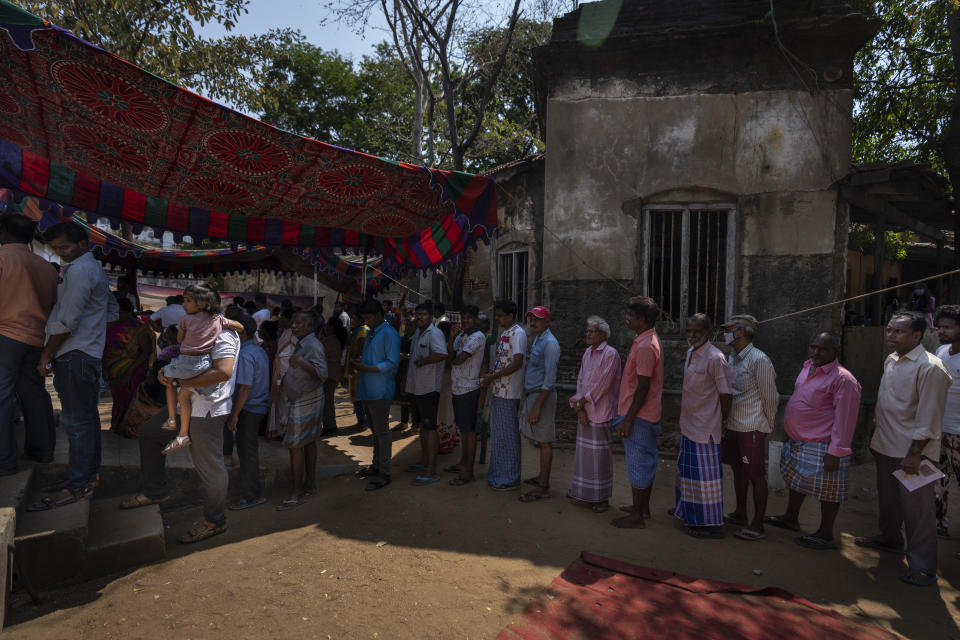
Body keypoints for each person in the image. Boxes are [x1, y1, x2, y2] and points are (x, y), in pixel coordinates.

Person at [120, 300, 240, 544]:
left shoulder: (223, 336)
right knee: (150, 433)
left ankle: (215, 521)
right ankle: (155, 490)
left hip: (206, 411)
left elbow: (222, 373)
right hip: (186, 403)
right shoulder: (198, 331)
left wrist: (178, 381)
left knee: (210, 468)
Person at [855, 311, 951, 586]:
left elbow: (929, 415)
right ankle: (890, 539)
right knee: (889, 501)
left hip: (913, 452)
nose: (890, 336)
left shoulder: (930, 367)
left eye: (898, 332)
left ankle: (922, 567)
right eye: (889, 330)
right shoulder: (891, 359)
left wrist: (915, 453)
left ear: (917, 335)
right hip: (885, 443)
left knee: (918, 511)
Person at [30, 222, 118, 509]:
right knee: (86, 421)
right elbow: (110, 313)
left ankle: (78, 485)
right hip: (86, 353)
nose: (60, 253)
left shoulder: (80, 270)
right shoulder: (90, 270)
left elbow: (67, 321)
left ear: (83, 243)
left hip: (74, 354)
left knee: (78, 424)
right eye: (55, 249)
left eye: (64, 248)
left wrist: (46, 354)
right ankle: (86, 478)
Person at [766, 332, 861, 549]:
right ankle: (790, 518)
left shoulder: (843, 379)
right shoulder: (808, 367)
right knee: (797, 481)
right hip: (800, 440)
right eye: (813, 347)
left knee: (828, 490)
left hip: (823, 444)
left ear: (834, 352)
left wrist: (835, 452)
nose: (816, 352)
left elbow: (845, 419)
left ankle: (825, 533)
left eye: (822, 349)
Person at [0, 214, 58, 475]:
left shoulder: (3, 258)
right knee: (33, 393)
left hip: (6, 334)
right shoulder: (45, 266)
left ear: (3, 231)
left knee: (2, 397)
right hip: (37, 338)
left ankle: (5, 460)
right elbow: (54, 305)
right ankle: (41, 451)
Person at [160, 284, 243, 455]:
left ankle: (172, 420)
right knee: (182, 396)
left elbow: (223, 372)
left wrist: (177, 380)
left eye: (188, 300)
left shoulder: (213, 329)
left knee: (208, 463)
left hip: (208, 407)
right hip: (201, 380)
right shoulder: (218, 322)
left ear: (203, 303)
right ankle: (182, 433)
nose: (184, 305)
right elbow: (240, 327)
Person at [673, 314, 732, 539]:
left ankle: (709, 524)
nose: (691, 336)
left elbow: (726, 394)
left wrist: (724, 421)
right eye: (688, 331)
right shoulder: (690, 353)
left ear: (708, 332)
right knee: (688, 474)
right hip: (689, 424)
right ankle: (688, 512)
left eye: (696, 332)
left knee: (706, 479)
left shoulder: (716, 358)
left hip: (706, 427)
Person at [721, 314, 778, 540]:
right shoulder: (733, 357)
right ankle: (740, 513)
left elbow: (771, 397)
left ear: (741, 332)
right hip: (734, 425)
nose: (725, 332)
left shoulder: (759, 359)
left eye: (729, 329)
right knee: (738, 470)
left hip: (752, 426)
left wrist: (767, 423)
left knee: (755, 474)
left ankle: (758, 523)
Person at [611, 296, 663, 529]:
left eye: (630, 315)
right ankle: (641, 508)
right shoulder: (644, 340)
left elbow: (643, 387)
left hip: (640, 416)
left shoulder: (645, 346)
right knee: (644, 462)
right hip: (643, 413)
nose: (627, 318)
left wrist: (628, 419)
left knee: (638, 464)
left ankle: (638, 517)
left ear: (641, 319)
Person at [568, 316, 621, 512]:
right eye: (587, 331)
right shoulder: (587, 353)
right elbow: (581, 380)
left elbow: (603, 385)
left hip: (601, 411)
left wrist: (582, 402)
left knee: (599, 457)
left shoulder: (611, 354)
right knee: (585, 455)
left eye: (592, 331)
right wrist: (579, 407)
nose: (588, 334)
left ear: (603, 334)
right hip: (585, 409)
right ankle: (583, 492)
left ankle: (601, 498)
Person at [276, 311, 327, 510]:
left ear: (308, 326)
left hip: (306, 398)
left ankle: (296, 492)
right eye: (292, 322)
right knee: (307, 441)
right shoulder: (303, 342)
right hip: (302, 396)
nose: (293, 326)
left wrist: (302, 363)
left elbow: (323, 373)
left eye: (298, 323)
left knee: (296, 445)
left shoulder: (313, 345)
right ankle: (309, 484)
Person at [352, 299, 401, 490]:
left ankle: (384, 472)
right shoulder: (371, 332)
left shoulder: (389, 334)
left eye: (368, 317)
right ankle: (376, 466)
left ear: (379, 315)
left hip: (380, 389)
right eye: (364, 318)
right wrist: (361, 363)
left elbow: (392, 364)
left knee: (382, 432)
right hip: (367, 388)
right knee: (376, 431)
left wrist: (367, 367)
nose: (366, 321)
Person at [222, 314, 270, 510]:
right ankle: (251, 493)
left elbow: (245, 388)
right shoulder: (257, 351)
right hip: (255, 407)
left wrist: (234, 415)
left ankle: (252, 496)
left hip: (249, 409)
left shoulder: (245, 354)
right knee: (247, 451)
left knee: (247, 452)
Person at [480, 299, 526, 491]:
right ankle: (500, 474)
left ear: (510, 316)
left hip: (509, 391)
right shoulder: (506, 333)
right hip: (500, 389)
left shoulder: (518, 334)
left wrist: (493, 376)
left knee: (508, 436)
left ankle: (510, 478)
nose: (497, 319)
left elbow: (517, 363)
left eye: (500, 315)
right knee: (499, 436)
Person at [518, 306, 562, 503]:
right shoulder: (538, 339)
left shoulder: (550, 344)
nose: (533, 323)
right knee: (539, 439)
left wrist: (537, 406)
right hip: (534, 394)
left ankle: (543, 487)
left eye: (537, 319)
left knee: (544, 441)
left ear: (547, 322)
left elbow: (550, 379)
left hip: (542, 396)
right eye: (531, 319)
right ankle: (541, 478)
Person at [404, 302, 448, 485]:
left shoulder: (434, 333)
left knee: (430, 429)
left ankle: (431, 470)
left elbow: (442, 354)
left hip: (429, 388)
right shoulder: (417, 332)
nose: (419, 317)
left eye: (423, 314)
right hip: (416, 387)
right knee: (422, 426)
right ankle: (424, 462)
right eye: (418, 313)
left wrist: (424, 362)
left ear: (430, 317)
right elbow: (414, 355)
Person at [103, 297, 155, 434]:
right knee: (118, 400)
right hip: (113, 372)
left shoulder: (139, 328)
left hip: (132, 372)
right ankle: (117, 426)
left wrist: (129, 372)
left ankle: (128, 428)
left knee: (129, 401)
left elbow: (146, 351)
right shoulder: (110, 326)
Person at [447, 305, 486, 486]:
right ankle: (463, 464)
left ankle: (468, 472)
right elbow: (451, 356)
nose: (466, 321)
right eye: (464, 318)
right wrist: (451, 338)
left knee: (468, 432)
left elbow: (457, 359)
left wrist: (453, 359)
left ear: (476, 319)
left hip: (468, 388)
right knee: (464, 430)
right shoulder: (462, 337)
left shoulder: (477, 337)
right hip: (458, 387)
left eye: (469, 318)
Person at [935, 305, 960, 537]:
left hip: (959, 433)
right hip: (939, 430)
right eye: (940, 326)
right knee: (938, 479)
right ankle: (939, 523)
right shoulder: (941, 351)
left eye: (948, 327)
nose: (942, 331)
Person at [320, 315, 348, 437]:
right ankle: (329, 425)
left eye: (327, 325)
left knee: (327, 402)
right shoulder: (336, 339)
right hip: (332, 373)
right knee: (328, 401)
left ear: (331, 327)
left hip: (328, 374)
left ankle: (329, 426)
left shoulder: (329, 340)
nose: (325, 327)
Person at [346, 311, 369, 429]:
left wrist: (355, 366)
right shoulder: (357, 331)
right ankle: (362, 420)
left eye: (355, 319)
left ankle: (363, 421)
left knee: (358, 395)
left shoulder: (362, 332)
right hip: (355, 366)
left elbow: (361, 351)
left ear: (361, 320)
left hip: (358, 368)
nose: (352, 321)